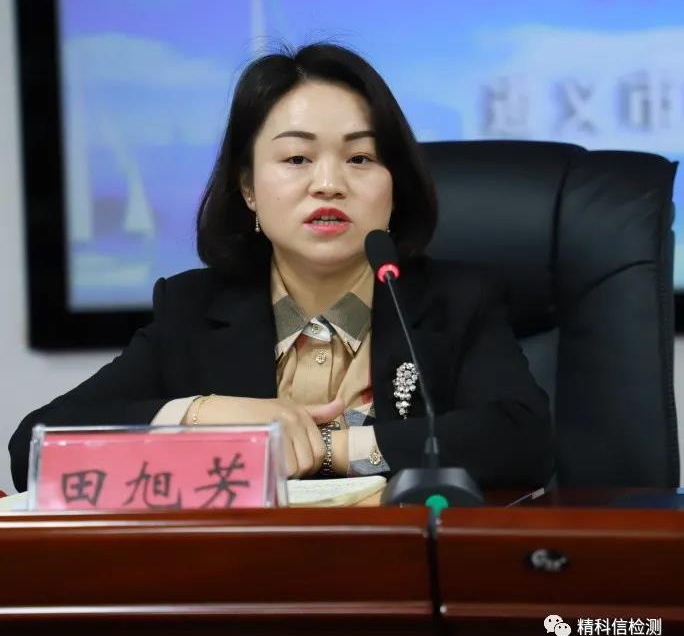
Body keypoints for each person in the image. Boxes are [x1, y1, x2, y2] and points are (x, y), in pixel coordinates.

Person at [9, 43, 554, 492]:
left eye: (360, 158)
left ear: (394, 188)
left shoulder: (457, 301)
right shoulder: (192, 309)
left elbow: (525, 441)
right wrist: (204, 416)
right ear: (249, 188)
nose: (329, 184)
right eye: (297, 158)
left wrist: (329, 449)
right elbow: (33, 447)